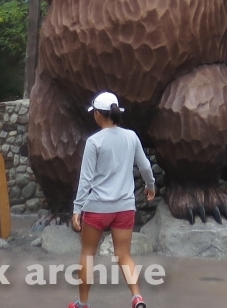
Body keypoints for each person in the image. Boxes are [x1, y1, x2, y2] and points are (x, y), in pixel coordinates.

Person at [70, 92, 156, 308]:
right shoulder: (131, 137)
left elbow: (86, 179)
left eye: (94, 113)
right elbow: (145, 166)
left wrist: (77, 209)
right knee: (124, 255)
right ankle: (137, 298)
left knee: (88, 255)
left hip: (97, 208)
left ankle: (82, 303)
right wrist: (150, 186)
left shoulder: (94, 141)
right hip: (125, 207)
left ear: (98, 114)